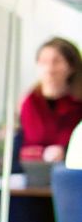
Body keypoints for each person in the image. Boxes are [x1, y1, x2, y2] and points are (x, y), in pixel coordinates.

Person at [20, 36, 82, 165]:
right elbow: (21, 149)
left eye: (57, 62)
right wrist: (43, 153)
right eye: (43, 62)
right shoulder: (30, 103)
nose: (49, 69)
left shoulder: (77, 104)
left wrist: (64, 151)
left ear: (71, 67)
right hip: (36, 170)